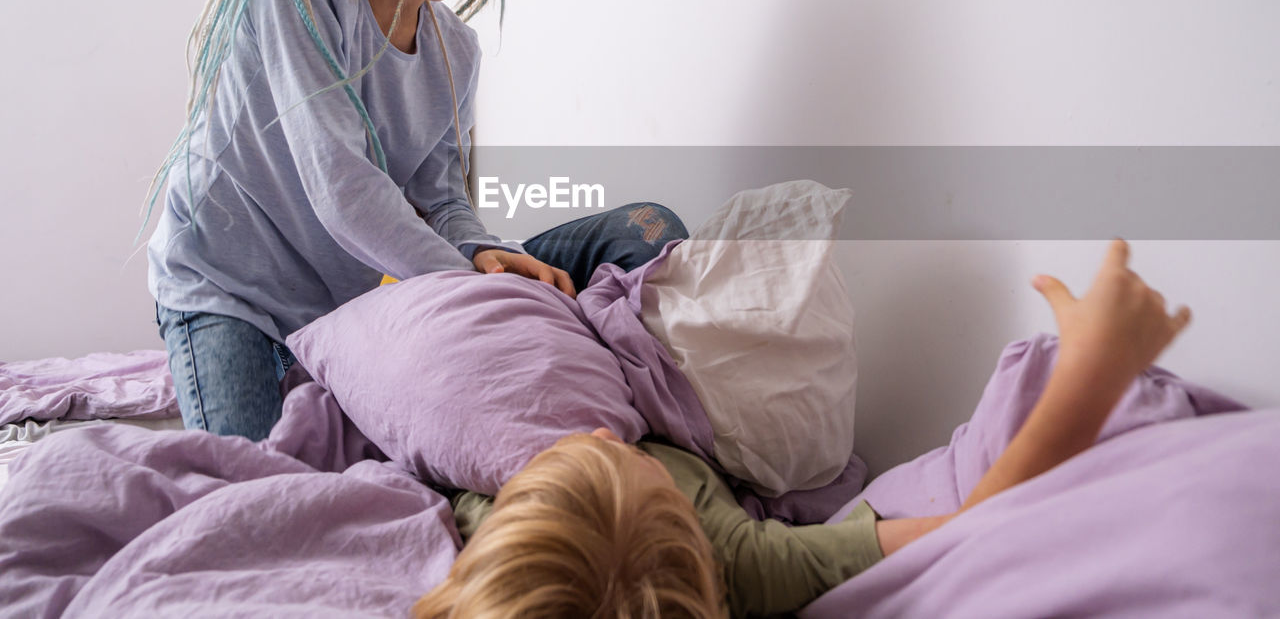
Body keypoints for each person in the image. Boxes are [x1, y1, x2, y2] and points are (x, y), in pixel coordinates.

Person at [146, 0, 686, 442]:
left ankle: (666, 411)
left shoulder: (455, 51)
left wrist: (484, 251)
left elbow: (439, 196)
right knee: (255, 499)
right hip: (230, 291)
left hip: (344, 304)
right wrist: (473, 288)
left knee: (649, 230)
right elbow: (341, 186)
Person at [413, 239, 1192, 618]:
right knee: (653, 230)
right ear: (700, 554)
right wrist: (1089, 381)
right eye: (628, 465)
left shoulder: (482, 519)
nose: (609, 436)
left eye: (571, 460)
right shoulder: (742, 559)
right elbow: (970, 532)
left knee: (598, 244)